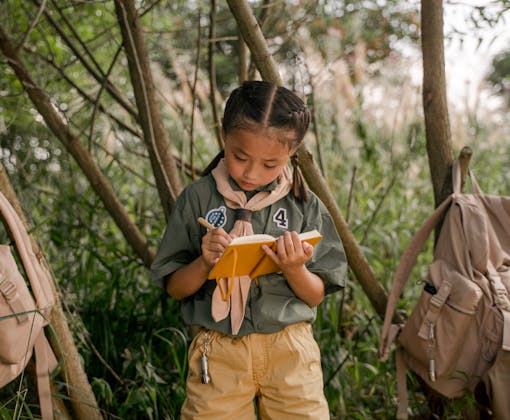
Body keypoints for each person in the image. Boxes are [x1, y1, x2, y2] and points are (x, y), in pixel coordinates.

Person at [151, 80, 347, 419]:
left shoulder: (305, 205)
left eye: (270, 165)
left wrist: (295, 268)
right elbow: (175, 287)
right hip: (219, 349)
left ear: (292, 153)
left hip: (290, 349)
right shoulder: (198, 198)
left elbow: (315, 296)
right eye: (240, 157)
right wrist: (205, 261)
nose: (252, 173)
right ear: (224, 136)